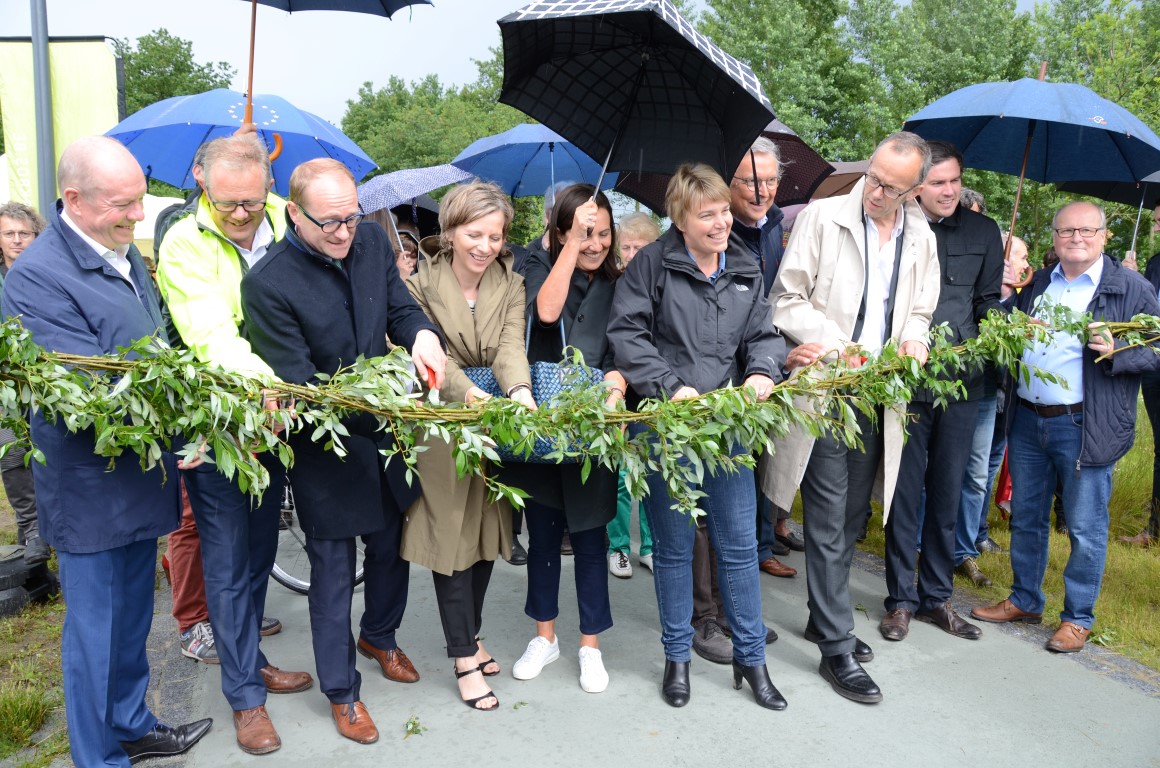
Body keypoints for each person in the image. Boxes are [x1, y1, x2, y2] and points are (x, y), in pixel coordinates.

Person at [1, 135, 212, 767]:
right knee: (94, 634)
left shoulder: (119, 251)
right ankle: (100, 758)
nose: (138, 216)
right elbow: (90, 393)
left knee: (130, 624)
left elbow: (152, 353)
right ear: (73, 199)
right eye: (123, 204)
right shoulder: (39, 276)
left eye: (139, 200)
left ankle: (132, 725)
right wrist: (185, 426)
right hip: (90, 486)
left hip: (139, 476)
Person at [242, 158, 447, 741]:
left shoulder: (373, 247)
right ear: (293, 213)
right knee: (333, 572)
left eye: (351, 219)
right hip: (324, 449)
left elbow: (401, 310)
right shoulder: (267, 284)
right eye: (328, 222)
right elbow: (299, 384)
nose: (342, 232)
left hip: (384, 439)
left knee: (391, 550)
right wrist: (383, 401)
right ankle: (342, 691)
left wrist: (423, 336)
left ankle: (380, 636)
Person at [763, 132, 940, 704]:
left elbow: (919, 309)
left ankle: (823, 614)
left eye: (891, 187)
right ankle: (836, 647)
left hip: (878, 396)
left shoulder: (921, 235)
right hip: (827, 390)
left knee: (849, 518)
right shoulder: (822, 218)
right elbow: (786, 300)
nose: (876, 190)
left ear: (914, 190)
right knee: (827, 510)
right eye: (873, 176)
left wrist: (914, 339)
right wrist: (839, 347)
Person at [608, 163, 789, 711]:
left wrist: (762, 369)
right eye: (706, 215)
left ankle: (751, 659)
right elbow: (627, 334)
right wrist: (669, 387)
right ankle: (677, 656)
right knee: (675, 548)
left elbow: (765, 334)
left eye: (724, 213)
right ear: (679, 219)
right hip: (669, 427)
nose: (720, 224)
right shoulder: (652, 266)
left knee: (737, 545)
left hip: (729, 429)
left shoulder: (743, 265)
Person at [156, 134, 312, 756]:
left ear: (270, 184)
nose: (242, 214)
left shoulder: (286, 220)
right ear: (201, 184)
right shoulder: (182, 244)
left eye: (251, 200)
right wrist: (273, 389)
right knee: (224, 557)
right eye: (228, 204)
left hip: (279, 425)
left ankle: (251, 656)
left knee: (258, 548)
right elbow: (212, 334)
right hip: (219, 425)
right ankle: (246, 698)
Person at [972, 201, 1160, 652]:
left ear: (1104, 236)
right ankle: (1025, 599)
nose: (1076, 238)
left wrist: (1117, 353)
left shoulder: (1130, 288)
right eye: (1066, 231)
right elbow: (1002, 328)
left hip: (1085, 423)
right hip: (1029, 418)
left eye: (1086, 231)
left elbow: (1155, 350)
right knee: (1029, 519)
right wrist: (1012, 321)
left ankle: (1077, 618)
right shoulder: (1037, 284)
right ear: (1054, 238)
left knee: (1085, 525)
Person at [402, 180, 532, 711]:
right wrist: (467, 390)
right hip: (441, 414)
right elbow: (427, 354)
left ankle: (472, 633)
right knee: (451, 536)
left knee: (486, 533)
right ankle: (462, 657)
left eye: (495, 236)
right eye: (474, 233)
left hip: (494, 414)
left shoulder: (512, 282)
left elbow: (509, 345)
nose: (485, 245)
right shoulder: (419, 284)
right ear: (450, 232)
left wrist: (519, 391)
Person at [878, 141, 1002, 644]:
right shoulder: (899, 227)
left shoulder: (984, 231)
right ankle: (900, 601)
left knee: (948, 491)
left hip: (963, 383)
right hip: (907, 383)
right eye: (938, 182)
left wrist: (1003, 332)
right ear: (917, 185)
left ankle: (937, 597)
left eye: (955, 180)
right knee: (903, 493)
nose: (949, 191)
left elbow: (989, 302)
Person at [505, 184, 623, 694]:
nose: (595, 243)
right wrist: (571, 248)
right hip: (543, 422)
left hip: (595, 426)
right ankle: (545, 637)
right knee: (545, 534)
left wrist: (618, 382)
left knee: (593, 536)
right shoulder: (534, 265)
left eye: (602, 233)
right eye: (583, 232)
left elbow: (628, 343)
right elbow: (546, 314)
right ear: (558, 232)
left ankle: (590, 646)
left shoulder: (624, 281)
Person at [732, 137, 799, 582]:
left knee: (764, 456)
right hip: (728, 368)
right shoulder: (717, 229)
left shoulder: (775, 225)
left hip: (772, 358)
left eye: (771, 180)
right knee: (735, 467)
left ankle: (760, 545)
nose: (762, 190)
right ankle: (735, 558)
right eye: (750, 181)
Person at [955, 232, 1029, 588]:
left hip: (1008, 397)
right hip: (977, 390)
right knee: (969, 471)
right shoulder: (973, 296)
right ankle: (953, 546)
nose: (1019, 265)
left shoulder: (1025, 301)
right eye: (1010, 256)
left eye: (1024, 257)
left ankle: (972, 539)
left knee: (987, 468)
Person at [607, 211, 660, 579]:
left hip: (655, 394)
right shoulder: (615, 285)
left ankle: (652, 547)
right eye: (624, 246)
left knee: (655, 475)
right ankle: (619, 548)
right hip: (621, 392)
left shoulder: (665, 283)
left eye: (638, 247)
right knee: (622, 478)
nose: (630, 253)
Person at [0, 201, 49, 565]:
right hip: (5, 385)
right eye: (9, 234)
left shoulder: (50, 275)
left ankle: (57, 526)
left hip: (46, 380)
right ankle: (32, 532)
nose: (17, 240)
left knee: (51, 453)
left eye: (24, 233)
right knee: (13, 455)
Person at [1120, 201, 1160, 546]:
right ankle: (1155, 530)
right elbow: (1150, 315)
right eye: (1157, 221)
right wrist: (1135, 282)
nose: (1158, 228)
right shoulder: (1156, 263)